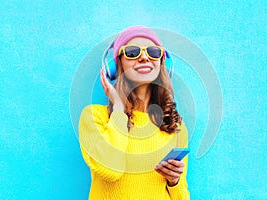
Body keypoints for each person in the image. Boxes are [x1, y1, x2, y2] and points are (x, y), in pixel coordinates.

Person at [79, 25, 190, 199]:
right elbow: (110, 171)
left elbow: (182, 196)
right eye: (132, 52)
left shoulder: (175, 125)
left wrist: (173, 181)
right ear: (116, 66)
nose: (144, 57)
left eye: (153, 52)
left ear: (161, 63)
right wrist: (118, 109)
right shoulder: (94, 117)